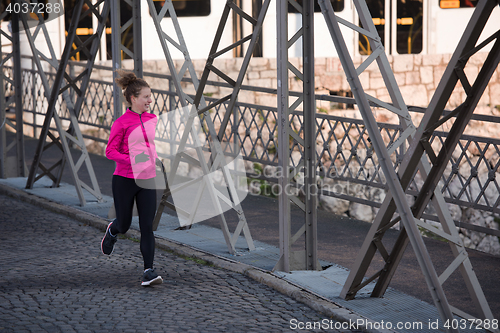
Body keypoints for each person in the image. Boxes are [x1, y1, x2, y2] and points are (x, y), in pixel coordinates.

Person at [101, 70, 163, 287]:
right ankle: (113, 229)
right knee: (125, 224)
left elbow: (152, 146)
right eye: (146, 96)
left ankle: (148, 271)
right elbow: (110, 152)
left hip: (147, 180)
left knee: (147, 226)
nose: (150, 100)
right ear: (133, 98)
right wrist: (132, 160)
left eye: (150, 96)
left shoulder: (153, 119)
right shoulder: (121, 123)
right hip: (125, 180)